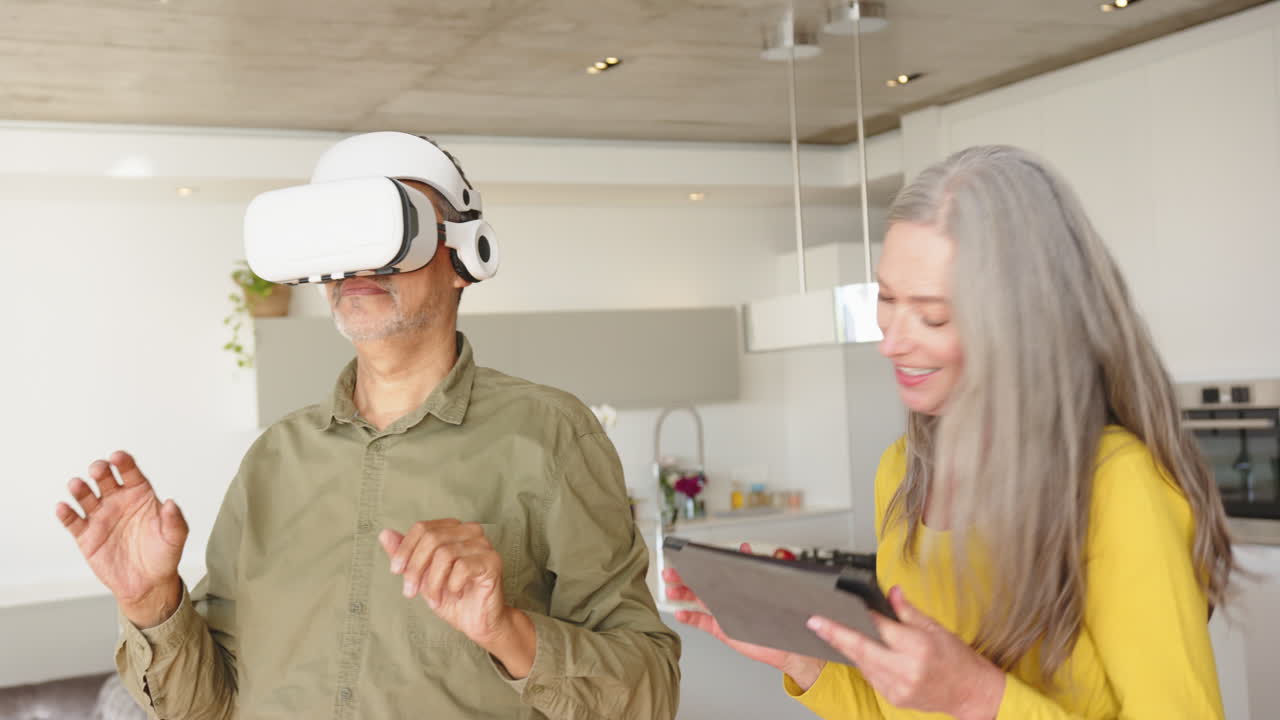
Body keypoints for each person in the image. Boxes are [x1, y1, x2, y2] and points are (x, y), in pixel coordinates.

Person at [55, 132, 680, 719]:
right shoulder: (275, 458)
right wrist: (149, 601)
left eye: (389, 229)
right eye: (340, 236)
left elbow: (650, 690)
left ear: (464, 258)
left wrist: (506, 630)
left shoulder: (550, 435)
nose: (357, 261)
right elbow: (206, 706)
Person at [665, 145, 1235, 719]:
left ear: (1024, 323)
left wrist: (977, 695)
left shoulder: (1115, 486)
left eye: (932, 315)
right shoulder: (904, 470)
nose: (890, 340)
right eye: (886, 298)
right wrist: (802, 661)